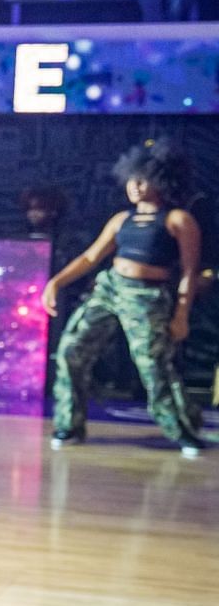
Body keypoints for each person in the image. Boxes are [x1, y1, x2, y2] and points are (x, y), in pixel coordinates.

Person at [45, 141, 205, 456]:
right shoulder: (121, 220)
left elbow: (189, 272)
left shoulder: (178, 220)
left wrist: (181, 314)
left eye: (143, 179)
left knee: (153, 365)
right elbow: (91, 257)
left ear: (161, 180)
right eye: (132, 179)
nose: (135, 186)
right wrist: (56, 282)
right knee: (70, 351)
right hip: (110, 288)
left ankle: (183, 429)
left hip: (147, 297)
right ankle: (69, 425)